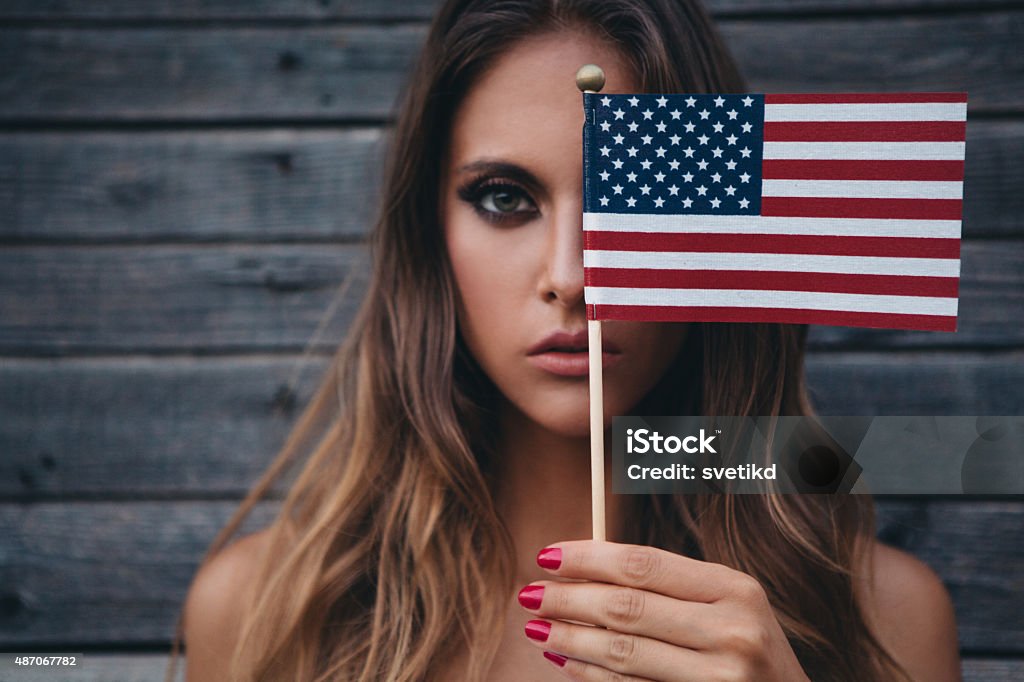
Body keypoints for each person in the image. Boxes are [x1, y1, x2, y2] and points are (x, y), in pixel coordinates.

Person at [172, 0, 961, 680]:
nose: (575, 275)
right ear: (429, 235)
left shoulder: (890, 618)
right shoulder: (262, 612)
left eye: (640, 195)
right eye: (504, 197)